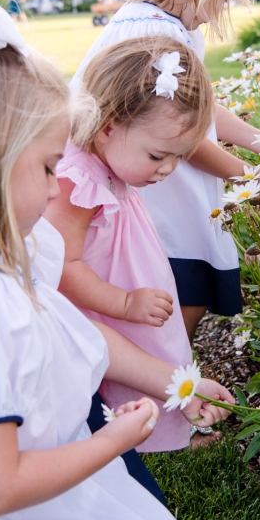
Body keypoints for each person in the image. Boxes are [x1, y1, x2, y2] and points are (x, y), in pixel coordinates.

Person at [0, 0, 234, 520]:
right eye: (46, 167)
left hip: (69, 475)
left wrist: (180, 385)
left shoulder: (21, 250)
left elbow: (85, 334)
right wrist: (111, 442)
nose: (55, 185)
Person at [68, 0, 260, 344]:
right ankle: (169, 383)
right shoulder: (151, 32)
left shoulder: (169, 26)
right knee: (174, 292)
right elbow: (182, 137)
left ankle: (174, 380)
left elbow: (197, 109)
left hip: (166, 183)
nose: (218, 11)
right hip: (152, 193)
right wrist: (248, 177)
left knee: (186, 289)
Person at [45, 35, 216, 452]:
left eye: (179, 155)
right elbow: (62, 266)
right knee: (121, 369)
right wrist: (124, 303)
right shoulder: (78, 180)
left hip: (119, 286)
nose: (169, 169)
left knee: (152, 350)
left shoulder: (110, 160)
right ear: (107, 127)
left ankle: (166, 421)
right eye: (158, 156)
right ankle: (126, 435)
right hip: (102, 302)